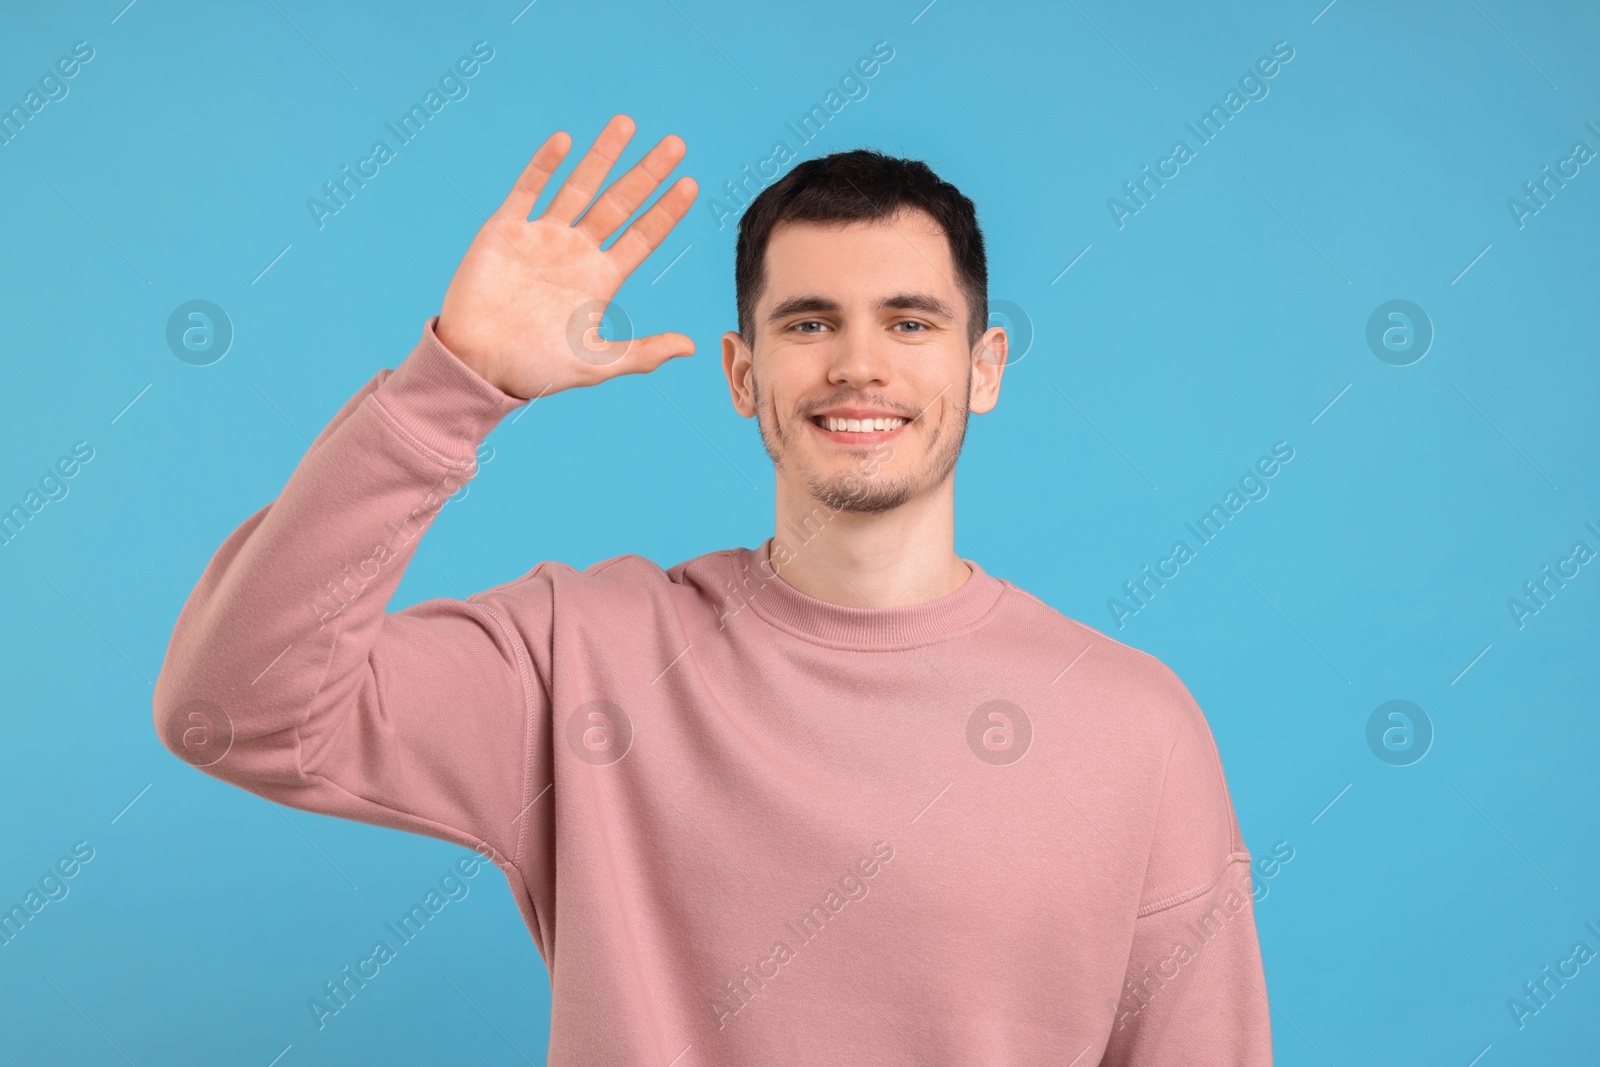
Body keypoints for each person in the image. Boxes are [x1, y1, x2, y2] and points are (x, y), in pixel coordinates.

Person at [154, 114, 1272, 1065]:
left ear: (983, 368)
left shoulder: (1135, 725)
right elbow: (232, 709)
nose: (858, 364)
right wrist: (456, 383)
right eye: (809, 322)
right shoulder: (581, 655)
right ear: (744, 375)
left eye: (910, 321)